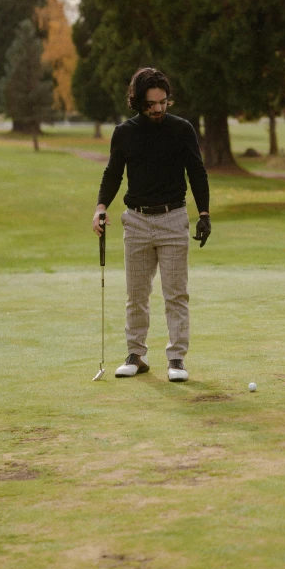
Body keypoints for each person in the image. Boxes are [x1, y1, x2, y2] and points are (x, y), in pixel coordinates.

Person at [92, 67, 211, 382]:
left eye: (163, 101)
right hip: (137, 221)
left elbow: (197, 172)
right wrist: (101, 207)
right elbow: (113, 173)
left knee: (175, 293)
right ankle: (136, 354)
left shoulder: (182, 129)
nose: (159, 108)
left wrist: (204, 214)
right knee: (136, 293)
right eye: (151, 104)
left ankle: (176, 359)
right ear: (137, 102)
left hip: (173, 219)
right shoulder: (125, 133)